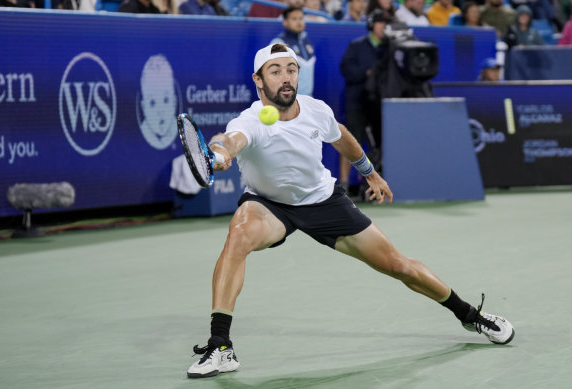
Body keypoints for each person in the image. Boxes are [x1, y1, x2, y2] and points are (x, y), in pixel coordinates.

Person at [185, 42, 515, 379]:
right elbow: (229, 141)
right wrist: (219, 154)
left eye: (291, 69)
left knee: (399, 266)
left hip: (324, 202)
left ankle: (470, 315)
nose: (285, 78)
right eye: (275, 71)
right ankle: (220, 346)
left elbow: (341, 136)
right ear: (258, 80)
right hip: (270, 205)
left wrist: (369, 172)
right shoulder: (250, 121)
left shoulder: (316, 110)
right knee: (238, 235)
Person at [339, 8, 391, 194]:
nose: (384, 27)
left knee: (380, 145)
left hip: (379, 105)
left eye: (387, 23)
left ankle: (375, 185)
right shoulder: (356, 46)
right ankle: (344, 183)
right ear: (372, 25)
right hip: (357, 103)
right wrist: (367, 74)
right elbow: (346, 70)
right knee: (350, 142)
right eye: (380, 22)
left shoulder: (390, 47)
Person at [271, 6, 317, 96]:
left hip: (307, 99)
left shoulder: (307, 43)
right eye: (294, 19)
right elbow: (273, 74)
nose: (299, 22)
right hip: (287, 99)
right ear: (285, 22)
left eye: (301, 18)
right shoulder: (279, 43)